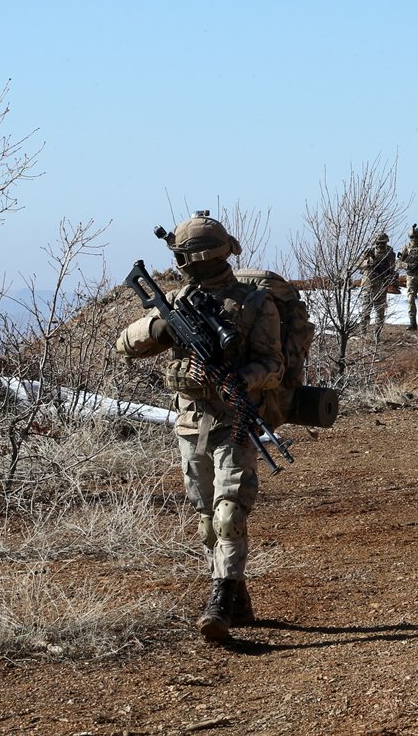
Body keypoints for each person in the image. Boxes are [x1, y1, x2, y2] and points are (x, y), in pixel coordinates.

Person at [115, 212, 283, 642]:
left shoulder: (254, 303)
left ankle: (220, 600)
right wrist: (163, 328)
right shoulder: (180, 304)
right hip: (191, 424)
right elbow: (124, 344)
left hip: (235, 420)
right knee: (207, 520)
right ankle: (239, 596)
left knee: (229, 516)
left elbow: (273, 365)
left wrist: (237, 380)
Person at [357, 232, 397, 337]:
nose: (380, 245)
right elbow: (358, 264)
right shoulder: (369, 253)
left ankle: (377, 336)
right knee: (366, 312)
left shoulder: (390, 254)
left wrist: (390, 278)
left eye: (382, 243)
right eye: (378, 243)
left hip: (382, 286)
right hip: (369, 285)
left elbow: (392, 269)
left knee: (380, 313)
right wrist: (369, 262)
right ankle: (363, 334)